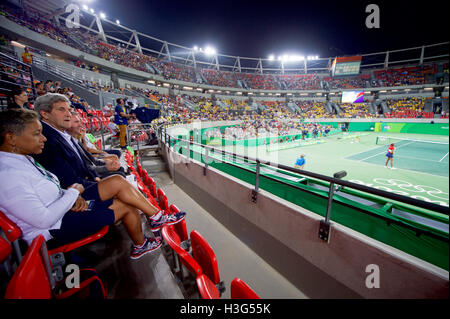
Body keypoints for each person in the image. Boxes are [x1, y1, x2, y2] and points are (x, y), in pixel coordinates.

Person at [0, 109, 184, 259]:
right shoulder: (7, 175)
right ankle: (141, 243)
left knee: (117, 181)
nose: (44, 138)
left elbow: (51, 188)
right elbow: (43, 219)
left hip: (64, 209)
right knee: (126, 206)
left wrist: (71, 196)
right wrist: (72, 194)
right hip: (52, 230)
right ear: (11, 138)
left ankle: (156, 218)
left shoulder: (21, 160)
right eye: (36, 134)